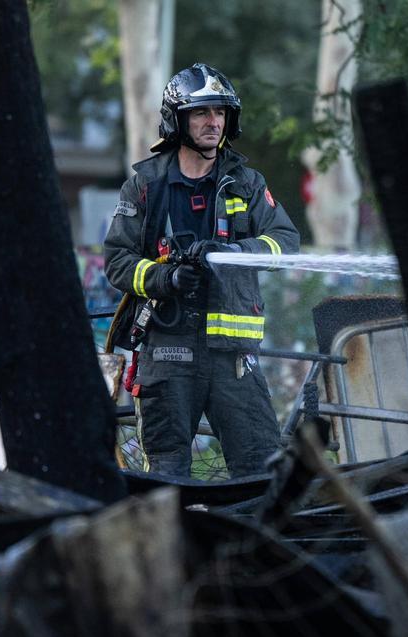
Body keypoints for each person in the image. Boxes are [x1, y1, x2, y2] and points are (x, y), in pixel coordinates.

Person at [104, 63, 299, 478]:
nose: (214, 122)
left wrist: (229, 253)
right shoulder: (145, 185)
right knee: (167, 475)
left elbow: (285, 243)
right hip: (166, 348)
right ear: (178, 120)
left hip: (232, 355)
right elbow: (118, 261)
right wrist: (167, 278)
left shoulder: (245, 183)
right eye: (202, 113)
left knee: (260, 469)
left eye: (221, 113)